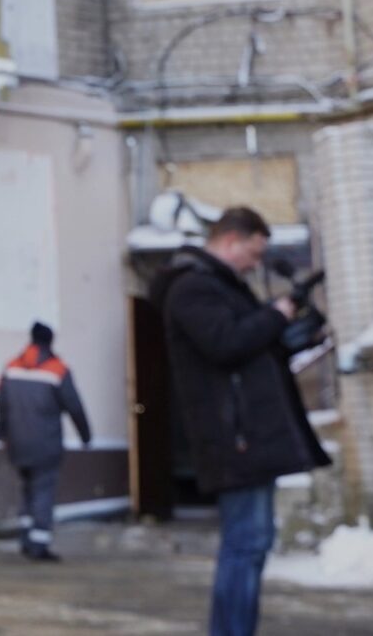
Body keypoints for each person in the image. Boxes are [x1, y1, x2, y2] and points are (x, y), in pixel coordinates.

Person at [152, 207, 330, 636]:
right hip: (235, 437)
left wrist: (296, 331)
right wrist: (277, 314)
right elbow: (225, 343)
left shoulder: (221, 289)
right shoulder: (192, 289)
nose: (255, 264)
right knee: (244, 545)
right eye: (253, 253)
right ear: (231, 241)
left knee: (253, 544)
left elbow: (251, 347)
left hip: (249, 436)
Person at [0, 320, 92, 561]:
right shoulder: (57, 370)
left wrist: (2, 434)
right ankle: (39, 546)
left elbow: (0, 405)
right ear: (50, 341)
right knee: (43, 493)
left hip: (17, 445)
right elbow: (74, 406)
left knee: (27, 491)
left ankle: (26, 539)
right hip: (46, 446)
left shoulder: (11, 367)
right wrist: (85, 436)